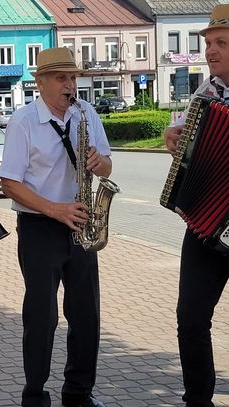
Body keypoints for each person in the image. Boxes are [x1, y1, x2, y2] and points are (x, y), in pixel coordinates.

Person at [0, 48, 112, 407]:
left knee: (86, 314)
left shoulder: (86, 112)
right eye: (62, 78)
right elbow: (9, 183)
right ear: (41, 82)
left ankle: (78, 392)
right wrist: (54, 209)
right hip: (39, 226)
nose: (70, 85)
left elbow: (108, 166)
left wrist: (99, 163)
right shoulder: (23, 121)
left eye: (73, 77)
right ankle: (35, 394)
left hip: (81, 222)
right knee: (42, 316)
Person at [164, 5, 229, 407]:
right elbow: (189, 155)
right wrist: (176, 139)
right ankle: (198, 399)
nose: (211, 51)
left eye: (221, 43)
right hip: (206, 224)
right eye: (208, 43)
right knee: (190, 318)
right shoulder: (205, 95)